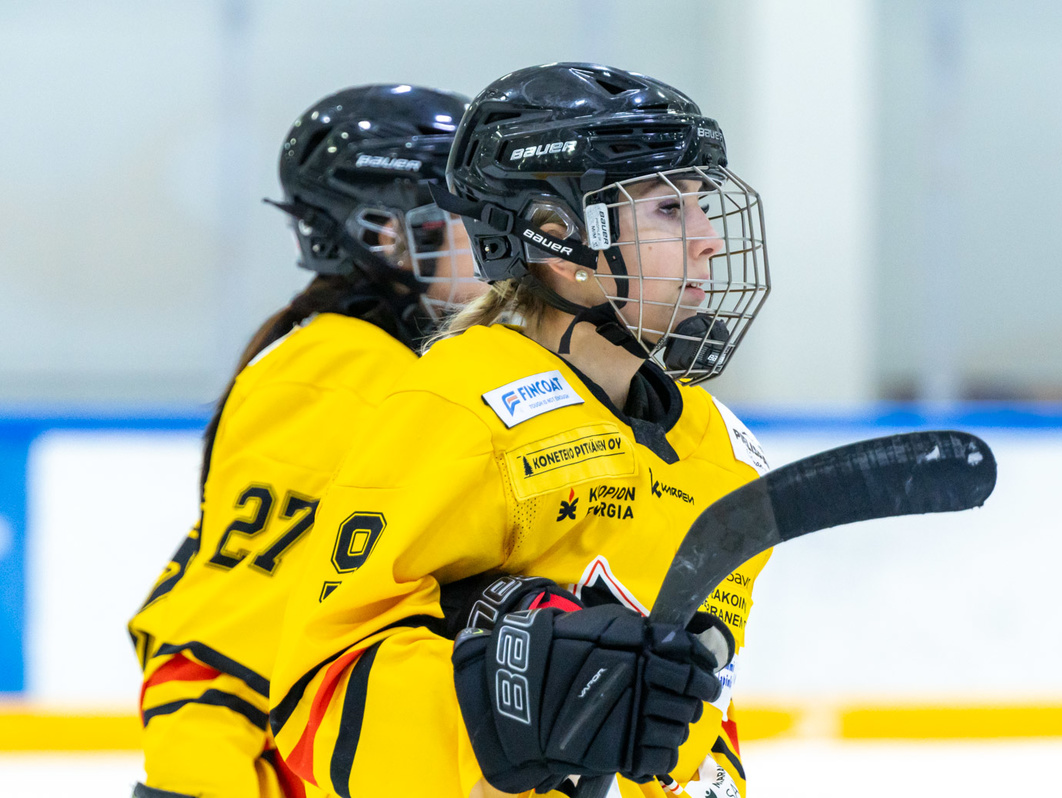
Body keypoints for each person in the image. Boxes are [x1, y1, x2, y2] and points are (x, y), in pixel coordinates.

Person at [269, 62, 774, 798]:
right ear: (554, 235)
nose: (707, 241)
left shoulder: (723, 452)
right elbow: (322, 697)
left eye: (701, 206)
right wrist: (502, 716)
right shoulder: (459, 410)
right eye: (669, 208)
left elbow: (698, 703)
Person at [128, 83, 482, 798]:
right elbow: (234, 622)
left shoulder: (373, 358)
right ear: (388, 234)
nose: (496, 242)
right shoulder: (340, 373)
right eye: (467, 215)